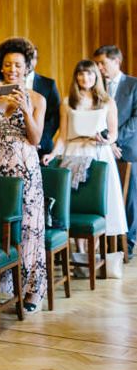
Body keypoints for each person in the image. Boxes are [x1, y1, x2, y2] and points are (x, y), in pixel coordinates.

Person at [0, 37, 47, 312]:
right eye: (8, 64)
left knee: (28, 228)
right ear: (1, 66)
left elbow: (35, 139)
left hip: (25, 169)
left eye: (18, 65)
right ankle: (0, 287)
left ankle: (32, 291)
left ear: (27, 68)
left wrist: (24, 107)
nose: (12, 69)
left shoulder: (37, 98)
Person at [43, 60, 127, 241]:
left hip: (98, 152)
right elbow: (63, 137)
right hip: (73, 152)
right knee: (76, 201)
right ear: (76, 77)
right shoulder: (67, 102)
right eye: (81, 74)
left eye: (89, 73)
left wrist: (106, 140)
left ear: (96, 75)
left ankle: (98, 245)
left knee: (99, 200)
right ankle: (78, 248)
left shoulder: (107, 101)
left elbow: (113, 134)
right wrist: (53, 154)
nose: (85, 77)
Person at [93, 44, 137, 258]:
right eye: (97, 64)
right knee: (107, 195)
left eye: (103, 63)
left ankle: (127, 242)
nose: (99, 68)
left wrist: (115, 139)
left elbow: (135, 119)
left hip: (127, 150)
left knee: (130, 198)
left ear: (116, 61)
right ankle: (107, 244)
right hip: (103, 148)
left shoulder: (133, 85)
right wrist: (107, 141)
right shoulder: (97, 86)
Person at [26, 46, 61, 158]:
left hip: (42, 148)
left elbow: (54, 118)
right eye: (26, 57)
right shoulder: (4, 84)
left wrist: (39, 140)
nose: (30, 61)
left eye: (33, 58)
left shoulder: (48, 84)